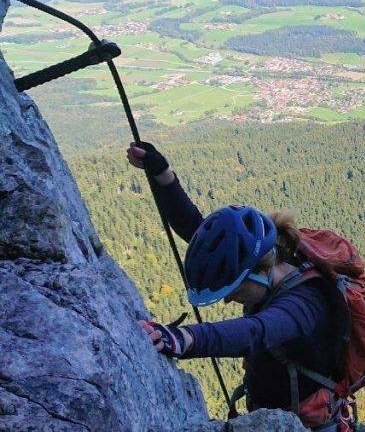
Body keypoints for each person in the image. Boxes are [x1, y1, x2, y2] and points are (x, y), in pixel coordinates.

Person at [129, 142, 350, 429]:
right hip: (270, 409)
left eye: (232, 292)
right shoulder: (266, 263)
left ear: (257, 273)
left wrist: (184, 338)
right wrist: (163, 174)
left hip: (311, 424)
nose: (228, 301)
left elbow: (256, 332)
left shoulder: (306, 304)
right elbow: (195, 229)